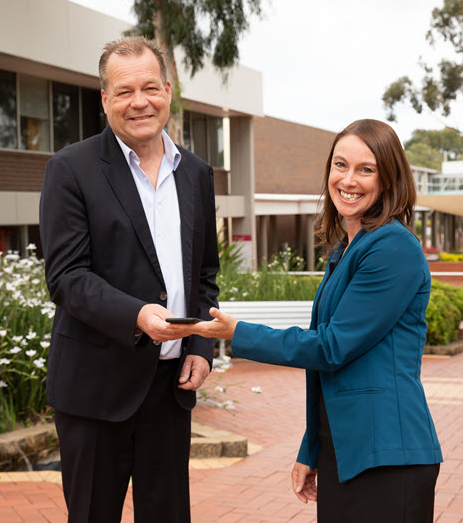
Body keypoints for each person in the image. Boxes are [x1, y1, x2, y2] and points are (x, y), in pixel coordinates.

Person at [179, 119, 443, 522]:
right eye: (340, 165)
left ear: (389, 180)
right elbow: (335, 372)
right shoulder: (348, 249)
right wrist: (312, 449)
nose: (348, 180)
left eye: (365, 169)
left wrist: (239, 333)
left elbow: (332, 347)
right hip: (348, 448)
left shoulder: (392, 248)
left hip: (389, 454)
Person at [39, 36, 219, 523]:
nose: (139, 102)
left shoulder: (196, 174)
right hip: (95, 392)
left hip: (169, 391)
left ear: (167, 89)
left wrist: (201, 350)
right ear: (104, 99)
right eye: (123, 91)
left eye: (149, 88)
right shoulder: (70, 170)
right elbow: (66, 277)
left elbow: (204, 275)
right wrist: (137, 314)